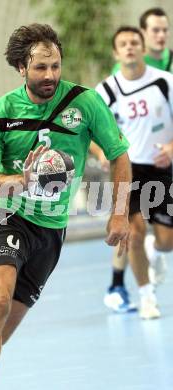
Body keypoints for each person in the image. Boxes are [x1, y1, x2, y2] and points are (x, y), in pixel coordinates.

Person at [0, 24, 130, 389]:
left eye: (56, 66)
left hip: (51, 227)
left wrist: (120, 211)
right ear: (21, 68)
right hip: (6, 214)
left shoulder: (85, 103)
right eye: (40, 68)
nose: (50, 75)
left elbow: (119, 155)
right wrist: (20, 182)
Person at [96, 26, 173, 319]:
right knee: (135, 233)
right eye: (123, 44)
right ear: (116, 53)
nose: (129, 47)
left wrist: (171, 147)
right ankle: (146, 296)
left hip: (162, 168)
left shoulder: (165, 83)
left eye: (134, 43)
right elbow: (86, 132)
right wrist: (100, 150)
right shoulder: (105, 92)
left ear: (142, 48)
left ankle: (157, 249)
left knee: (167, 242)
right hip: (127, 170)